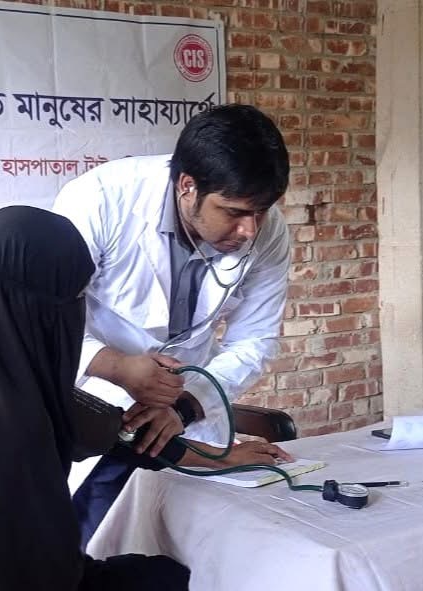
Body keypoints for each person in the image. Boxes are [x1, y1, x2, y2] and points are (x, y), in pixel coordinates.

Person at [0, 206, 291, 591]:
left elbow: (117, 434)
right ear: (42, 310)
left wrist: (220, 457)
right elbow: (52, 574)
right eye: (77, 298)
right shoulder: (3, 440)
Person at [53, 103, 291, 548]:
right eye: (234, 212)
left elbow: (254, 340)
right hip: (96, 407)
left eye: (261, 211)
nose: (249, 230)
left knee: (188, 550)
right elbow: (46, 322)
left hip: (183, 421)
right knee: (89, 547)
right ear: (187, 186)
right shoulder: (100, 200)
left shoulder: (267, 230)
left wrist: (183, 408)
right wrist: (117, 366)